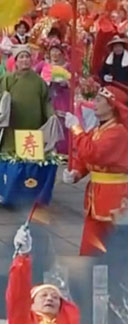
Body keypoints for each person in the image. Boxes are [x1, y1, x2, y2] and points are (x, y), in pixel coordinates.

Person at [0, 46, 57, 210]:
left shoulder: (39, 82)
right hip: (12, 127)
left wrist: (51, 116)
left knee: (30, 163)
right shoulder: (8, 79)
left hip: (32, 128)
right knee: (12, 161)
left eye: (27, 57)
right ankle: (6, 193)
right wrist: (1, 98)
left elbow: (46, 101)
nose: (24, 60)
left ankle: (30, 194)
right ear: (15, 61)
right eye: (21, 57)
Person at [65, 86, 128, 256]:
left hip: (114, 196)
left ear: (111, 105)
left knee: (114, 246)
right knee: (90, 247)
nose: (94, 103)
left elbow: (92, 153)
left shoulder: (118, 133)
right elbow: (86, 158)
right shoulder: (99, 130)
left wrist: (76, 129)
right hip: (96, 195)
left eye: (99, 100)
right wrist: (77, 172)